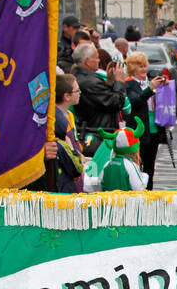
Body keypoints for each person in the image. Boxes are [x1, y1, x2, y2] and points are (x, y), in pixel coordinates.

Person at [121, 51, 171, 190]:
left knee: (150, 167)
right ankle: (139, 194)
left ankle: (149, 194)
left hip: (153, 129)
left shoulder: (150, 82)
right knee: (138, 166)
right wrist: (150, 89)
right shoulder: (128, 85)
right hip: (138, 131)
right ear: (132, 68)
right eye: (139, 66)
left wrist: (163, 86)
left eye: (144, 66)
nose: (143, 69)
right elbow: (134, 102)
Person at [72, 42, 126, 145]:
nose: (99, 60)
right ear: (87, 61)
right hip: (99, 133)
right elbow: (116, 102)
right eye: (96, 58)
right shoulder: (90, 82)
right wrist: (119, 81)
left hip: (96, 130)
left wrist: (110, 82)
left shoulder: (83, 77)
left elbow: (103, 98)